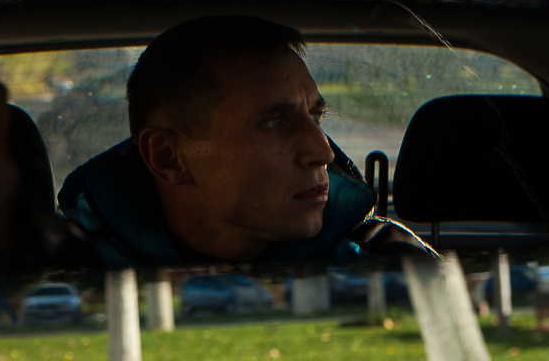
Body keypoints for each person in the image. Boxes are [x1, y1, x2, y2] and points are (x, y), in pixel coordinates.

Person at [58, 16, 436, 268]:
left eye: (316, 117)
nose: (324, 152)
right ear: (168, 156)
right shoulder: (68, 271)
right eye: (274, 122)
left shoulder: (387, 260)